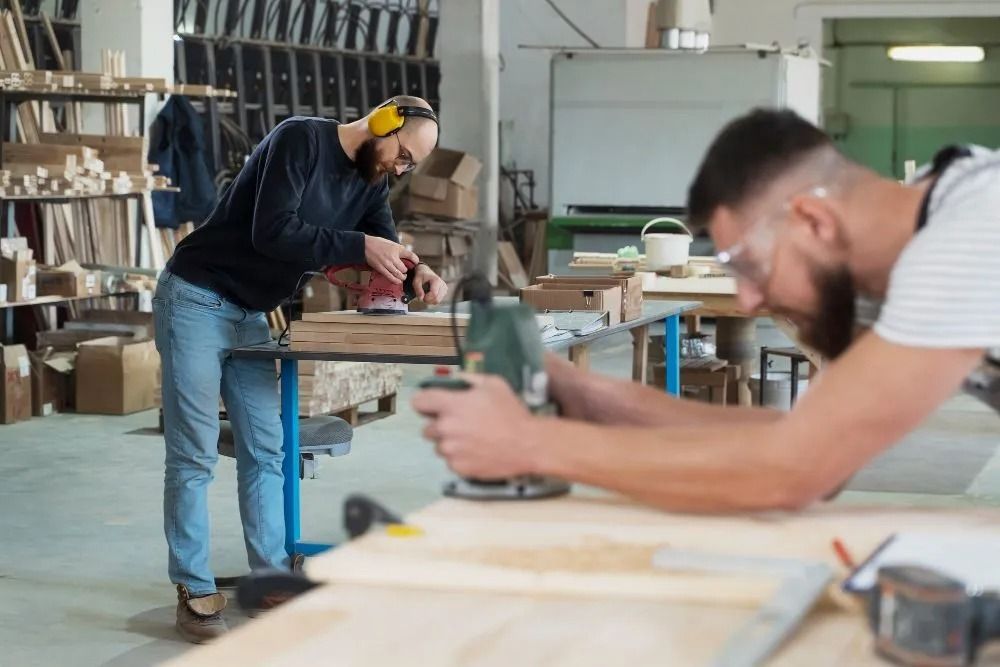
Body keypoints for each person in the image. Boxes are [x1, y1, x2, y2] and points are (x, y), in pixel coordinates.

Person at [414, 108, 999, 515]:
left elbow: (797, 470)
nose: (746, 301)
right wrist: (589, 398)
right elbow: (809, 443)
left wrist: (529, 445)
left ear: (814, 221)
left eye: (748, 265)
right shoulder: (927, 224)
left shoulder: (967, 235)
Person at [156, 95, 448, 643]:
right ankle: (194, 589)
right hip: (196, 297)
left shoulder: (372, 180)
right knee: (193, 451)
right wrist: (359, 243)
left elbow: (381, 244)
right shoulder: (300, 140)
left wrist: (416, 270)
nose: (401, 169)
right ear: (382, 122)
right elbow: (274, 230)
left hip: (250, 313)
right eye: (402, 154)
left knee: (268, 447)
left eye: (412, 165)